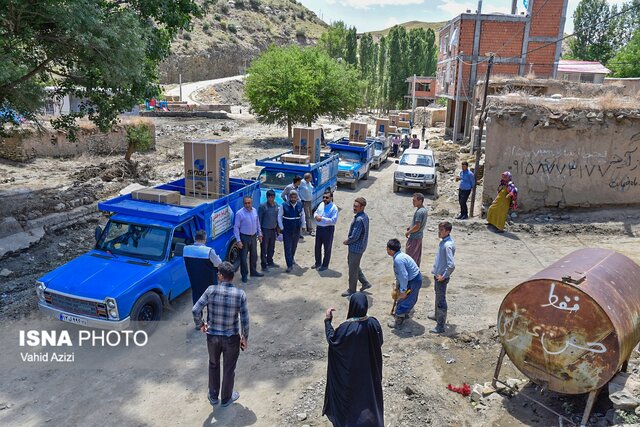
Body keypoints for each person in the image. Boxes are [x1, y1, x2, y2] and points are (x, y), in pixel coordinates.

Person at [192, 261, 249, 408]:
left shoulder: (211, 290)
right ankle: (226, 398)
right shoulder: (240, 294)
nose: (217, 275)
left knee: (213, 364)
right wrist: (245, 337)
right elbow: (244, 318)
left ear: (221, 276)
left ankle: (213, 396)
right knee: (229, 368)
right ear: (233, 277)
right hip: (231, 338)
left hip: (213, 338)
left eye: (218, 273)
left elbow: (195, 310)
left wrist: (201, 324)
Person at [323, 292, 384, 427]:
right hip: (369, 373)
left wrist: (328, 321)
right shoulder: (374, 323)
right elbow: (379, 342)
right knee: (370, 400)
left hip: (350, 375)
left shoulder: (345, 329)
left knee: (352, 403)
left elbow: (333, 341)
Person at [386, 239, 422, 329]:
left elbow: (404, 276)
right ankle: (404, 314)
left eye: (387, 248)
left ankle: (398, 321)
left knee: (403, 300)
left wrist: (403, 291)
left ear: (391, 250)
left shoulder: (398, 260)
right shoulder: (400, 256)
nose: (386, 250)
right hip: (413, 279)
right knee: (408, 299)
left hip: (413, 280)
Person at [184, 230, 222, 310]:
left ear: (195, 238)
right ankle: (210, 320)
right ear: (205, 239)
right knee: (211, 306)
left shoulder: (186, 250)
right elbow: (218, 264)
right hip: (209, 283)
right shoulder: (209, 251)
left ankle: (198, 321)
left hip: (195, 283)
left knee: (197, 306)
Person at [341, 197, 372, 297]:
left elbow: (355, 236)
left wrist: (347, 241)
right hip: (360, 247)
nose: (354, 208)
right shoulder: (364, 216)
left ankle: (352, 290)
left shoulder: (359, 219)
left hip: (355, 248)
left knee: (352, 270)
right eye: (354, 206)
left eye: (356, 206)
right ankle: (365, 283)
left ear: (362, 207)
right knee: (354, 265)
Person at [430, 221, 456, 334]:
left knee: (441, 301)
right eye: (439, 229)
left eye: (441, 230)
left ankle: (440, 326)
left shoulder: (447, 245)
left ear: (448, 231)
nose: (439, 232)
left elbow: (451, 265)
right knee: (437, 296)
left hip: (441, 278)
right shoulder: (444, 242)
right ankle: (436, 315)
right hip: (438, 275)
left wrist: (444, 276)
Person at [233, 196, 264, 283]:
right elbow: (236, 228)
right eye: (245, 203)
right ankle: (244, 275)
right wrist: (238, 240)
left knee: (254, 255)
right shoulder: (239, 213)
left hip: (253, 237)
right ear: (243, 204)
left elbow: (257, 223)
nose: (247, 204)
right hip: (244, 237)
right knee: (243, 258)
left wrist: (260, 234)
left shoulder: (254, 210)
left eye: (249, 203)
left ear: (252, 203)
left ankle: (253, 271)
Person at [278, 190, 306, 273]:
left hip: (296, 229)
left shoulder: (300, 205)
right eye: (292, 197)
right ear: (289, 197)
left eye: (295, 197)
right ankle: (289, 265)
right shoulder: (284, 205)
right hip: (287, 229)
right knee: (287, 247)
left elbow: (303, 215)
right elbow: (279, 216)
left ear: (297, 197)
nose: (293, 199)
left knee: (294, 246)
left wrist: (303, 225)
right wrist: (281, 227)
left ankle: (292, 257)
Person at [313, 190, 338, 271]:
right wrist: (316, 216)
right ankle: (317, 263)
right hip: (319, 228)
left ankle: (325, 265)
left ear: (331, 198)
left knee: (327, 248)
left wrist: (322, 219)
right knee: (317, 247)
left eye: (327, 197)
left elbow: (333, 220)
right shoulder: (321, 204)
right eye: (323, 197)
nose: (324, 199)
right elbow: (316, 212)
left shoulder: (334, 208)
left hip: (328, 229)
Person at [259, 189, 279, 271]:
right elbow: (259, 220)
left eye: (272, 197)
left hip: (273, 230)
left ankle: (270, 261)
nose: (271, 199)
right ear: (267, 197)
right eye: (269, 197)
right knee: (264, 248)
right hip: (265, 230)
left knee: (272, 247)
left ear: (274, 197)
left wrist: (278, 229)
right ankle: (264, 265)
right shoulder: (263, 206)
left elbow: (277, 217)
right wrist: (260, 232)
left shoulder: (276, 205)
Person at [404, 193, 427, 267]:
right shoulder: (423, 210)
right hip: (419, 237)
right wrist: (410, 227)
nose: (413, 202)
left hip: (414, 237)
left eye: (414, 200)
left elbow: (417, 226)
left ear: (420, 201)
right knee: (416, 256)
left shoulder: (419, 212)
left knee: (410, 256)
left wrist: (408, 232)